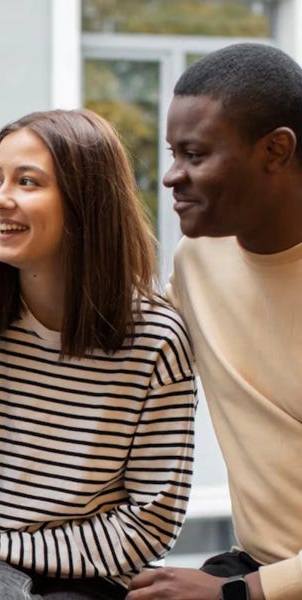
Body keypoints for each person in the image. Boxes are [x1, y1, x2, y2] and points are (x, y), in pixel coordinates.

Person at [0, 109, 197, 600]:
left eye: (27, 182)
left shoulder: (156, 339)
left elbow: (149, 524)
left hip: (97, 574)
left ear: (87, 201)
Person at [125, 42, 302, 600]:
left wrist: (242, 593)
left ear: (275, 151)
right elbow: (111, 331)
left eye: (195, 155)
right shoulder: (197, 263)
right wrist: (0, 266)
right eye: (174, 153)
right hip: (257, 569)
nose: (171, 177)